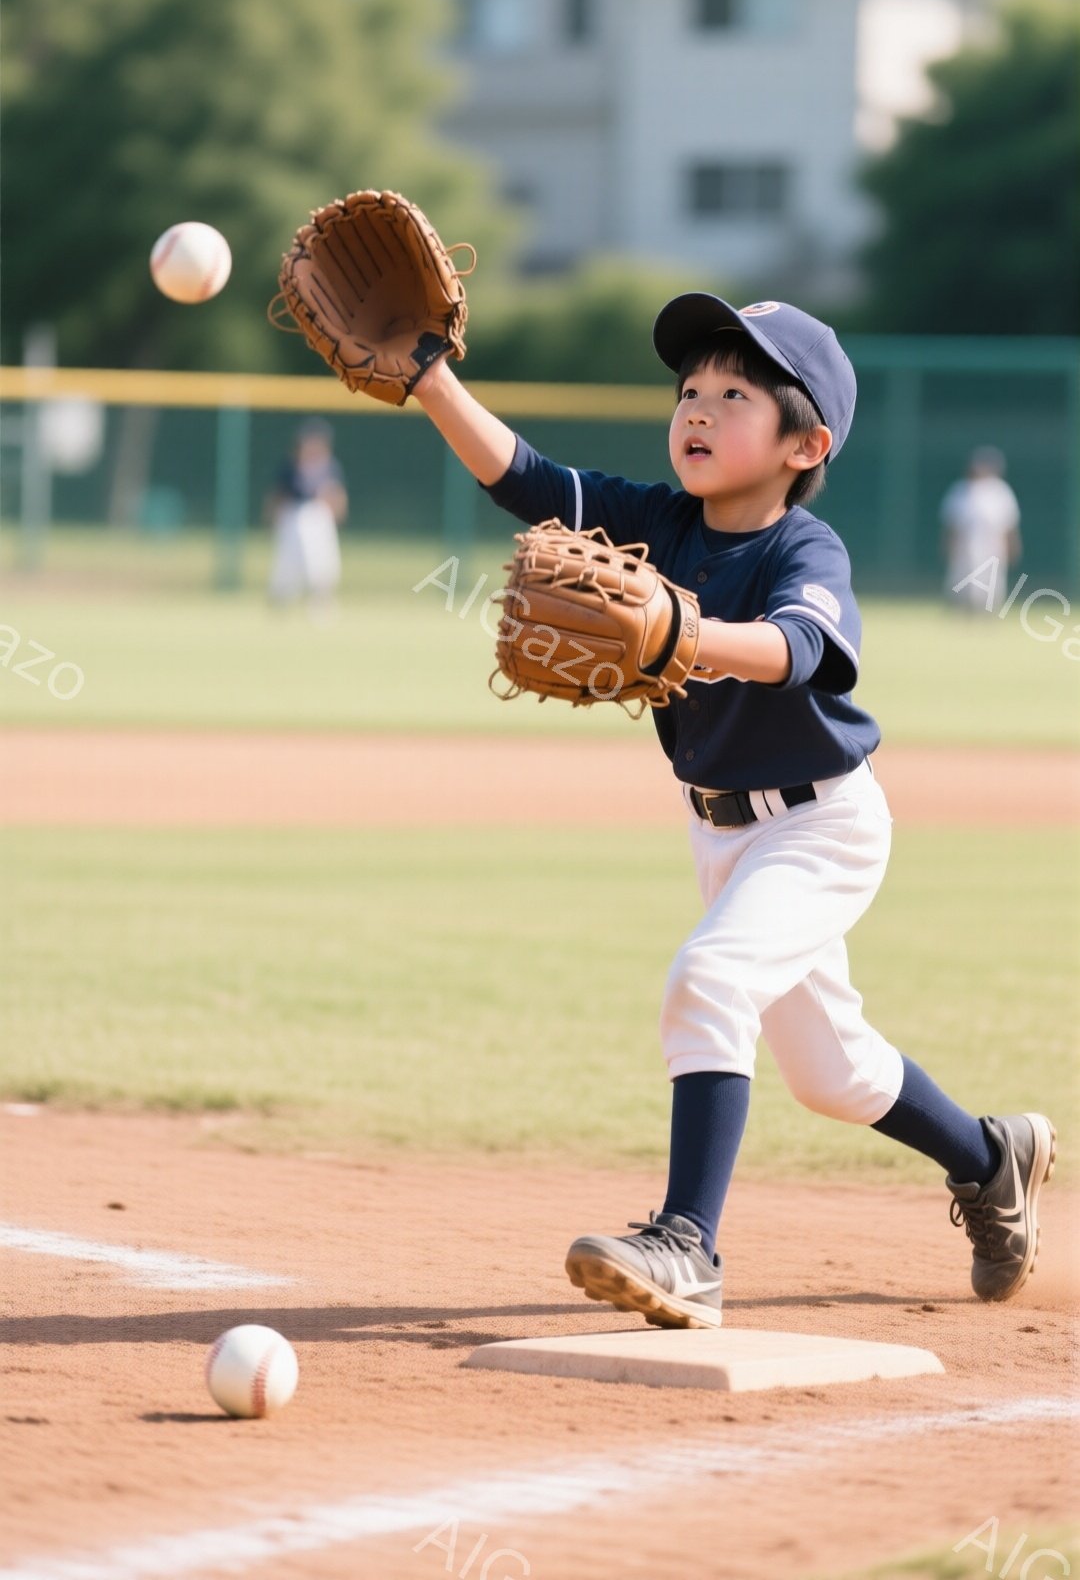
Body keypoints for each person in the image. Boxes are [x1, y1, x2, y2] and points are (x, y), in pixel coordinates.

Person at [412, 294, 1055, 1328]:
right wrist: (431, 379)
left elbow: (800, 650)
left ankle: (687, 1246)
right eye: (689, 392)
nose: (698, 411)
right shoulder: (662, 520)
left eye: (734, 394)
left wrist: (682, 630)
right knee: (833, 1073)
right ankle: (993, 1157)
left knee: (708, 978)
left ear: (807, 441)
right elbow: (526, 480)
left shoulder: (808, 551)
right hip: (719, 828)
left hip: (822, 826)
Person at [265, 418, 348, 616]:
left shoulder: (330, 466)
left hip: (319, 516)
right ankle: (281, 600)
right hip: (293, 514)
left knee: (322, 563)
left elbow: (336, 494)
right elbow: (278, 495)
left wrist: (338, 514)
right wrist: (273, 517)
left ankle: (321, 602)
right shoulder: (290, 466)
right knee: (287, 564)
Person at [939, 447, 1022, 613]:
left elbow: (1009, 526)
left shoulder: (1000, 491)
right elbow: (951, 525)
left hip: (992, 547)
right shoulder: (961, 490)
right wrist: (948, 546)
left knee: (990, 587)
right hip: (964, 547)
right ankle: (959, 617)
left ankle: (986, 619)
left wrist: (1013, 547)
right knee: (959, 584)